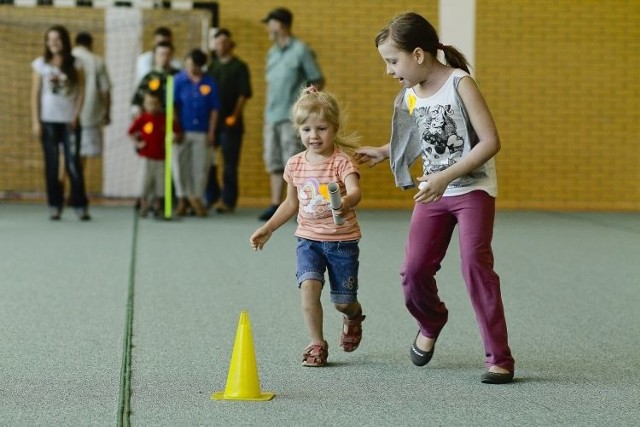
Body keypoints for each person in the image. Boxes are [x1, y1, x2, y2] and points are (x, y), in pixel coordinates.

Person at [355, 12, 515, 384]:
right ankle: (431, 320)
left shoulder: (461, 84)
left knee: (475, 267)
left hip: (470, 189)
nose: (389, 71)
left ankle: (499, 358)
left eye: (393, 62)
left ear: (419, 55)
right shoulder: (411, 94)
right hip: (434, 191)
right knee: (413, 273)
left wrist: (445, 176)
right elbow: (423, 139)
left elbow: (491, 142)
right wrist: (383, 151)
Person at [250, 88, 365, 367]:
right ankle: (317, 343)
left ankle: (352, 316)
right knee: (309, 288)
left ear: (334, 128)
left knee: (342, 301)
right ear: (298, 131)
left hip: (342, 243)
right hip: (308, 241)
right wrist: (269, 228)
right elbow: (290, 204)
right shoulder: (295, 164)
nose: (314, 135)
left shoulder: (341, 162)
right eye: (306, 129)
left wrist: (346, 203)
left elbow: (355, 192)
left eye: (322, 128)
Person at [259, 7, 325, 221]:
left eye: (270, 23)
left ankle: (295, 204)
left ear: (280, 24)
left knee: (292, 160)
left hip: (291, 117)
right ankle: (276, 203)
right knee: (274, 160)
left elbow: (317, 78)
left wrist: (307, 105)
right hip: (272, 115)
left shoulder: (300, 49)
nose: (268, 28)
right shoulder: (272, 52)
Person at [31, 25, 90, 221]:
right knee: (52, 164)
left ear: (64, 41)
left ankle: (80, 204)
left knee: (73, 163)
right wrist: (36, 121)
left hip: (69, 122)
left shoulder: (76, 63)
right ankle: (55, 204)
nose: (53, 43)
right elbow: (35, 94)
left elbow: (82, 90)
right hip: (48, 121)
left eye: (56, 39)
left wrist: (76, 115)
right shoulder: (41, 64)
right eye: (49, 39)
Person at [204, 28, 252, 214]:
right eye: (217, 43)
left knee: (230, 164)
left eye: (224, 42)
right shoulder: (211, 67)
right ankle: (211, 196)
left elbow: (244, 94)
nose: (220, 46)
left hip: (231, 125)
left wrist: (234, 115)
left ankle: (228, 200)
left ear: (230, 44)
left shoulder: (239, 66)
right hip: (212, 125)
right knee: (210, 162)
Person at [173, 48, 220, 217]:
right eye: (189, 65)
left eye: (195, 66)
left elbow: (214, 109)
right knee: (180, 165)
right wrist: (176, 128)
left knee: (200, 167)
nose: (191, 69)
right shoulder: (179, 81)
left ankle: (196, 197)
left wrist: (211, 132)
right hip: (182, 132)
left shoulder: (209, 83)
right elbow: (173, 106)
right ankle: (182, 198)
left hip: (202, 131)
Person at [127, 90, 180, 217]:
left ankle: (158, 206)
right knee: (145, 182)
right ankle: (144, 205)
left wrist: (172, 139)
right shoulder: (143, 119)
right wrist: (138, 144)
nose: (153, 106)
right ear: (145, 105)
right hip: (146, 157)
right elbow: (130, 132)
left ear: (160, 104)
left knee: (160, 183)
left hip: (161, 157)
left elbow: (177, 133)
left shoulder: (165, 119)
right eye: (150, 103)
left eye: (156, 103)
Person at [72, 31, 112, 169]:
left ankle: (64, 187)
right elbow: (105, 91)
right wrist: (107, 112)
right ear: (90, 44)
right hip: (89, 115)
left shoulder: (67, 58)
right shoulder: (97, 61)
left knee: (66, 153)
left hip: (66, 114)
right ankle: (75, 187)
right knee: (81, 154)